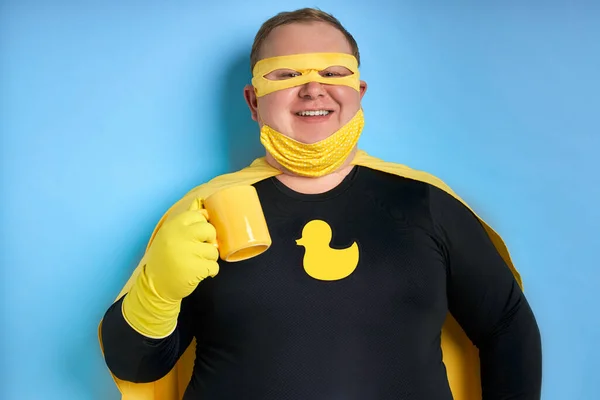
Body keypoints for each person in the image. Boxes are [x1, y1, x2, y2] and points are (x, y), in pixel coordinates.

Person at [99, 8, 542, 400]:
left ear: (359, 91)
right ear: (254, 101)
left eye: (332, 73)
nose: (313, 90)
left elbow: (507, 325)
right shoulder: (203, 212)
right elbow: (138, 368)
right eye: (287, 75)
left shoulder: (426, 202)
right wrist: (155, 290)